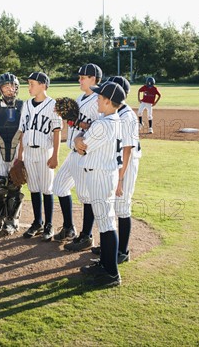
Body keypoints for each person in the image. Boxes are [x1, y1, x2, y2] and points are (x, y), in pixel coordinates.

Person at [75, 81, 125, 288]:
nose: (96, 98)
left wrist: (78, 135)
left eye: (99, 97)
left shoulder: (102, 124)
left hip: (100, 176)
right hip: (103, 173)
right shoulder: (112, 120)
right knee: (105, 223)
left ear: (107, 101)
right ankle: (104, 265)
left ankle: (111, 274)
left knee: (106, 224)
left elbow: (81, 147)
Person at [90, 76, 141, 264]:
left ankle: (122, 250)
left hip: (126, 164)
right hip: (117, 163)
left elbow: (127, 149)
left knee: (122, 206)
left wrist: (120, 179)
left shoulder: (127, 116)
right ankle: (110, 247)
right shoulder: (114, 114)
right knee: (110, 208)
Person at [53, 63, 102, 253]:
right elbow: (74, 123)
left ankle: (86, 236)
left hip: (85, 154)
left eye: (83, 77)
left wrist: (78, 121)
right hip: (72, 153)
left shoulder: (99, 100)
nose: (79, 79)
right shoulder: (81, 97)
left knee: (85, 196)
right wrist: (71, 120)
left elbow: (101, 128)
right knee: (59, 185)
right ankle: (69, 228)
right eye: (80, 77)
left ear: (93, 79)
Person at [17, 72, 62, 242]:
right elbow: (23, 131)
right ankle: (37, 222)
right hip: (29, 152)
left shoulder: (53, 105)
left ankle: (49, 224)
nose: (29, 87)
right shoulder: (27, 104)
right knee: (34, 189)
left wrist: (55, 155)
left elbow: (57, 132)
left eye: (32, 84)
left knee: (47, 189)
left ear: (43, 85)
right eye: (28, 84)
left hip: (45, 152)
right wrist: (20, 154)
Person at [0, 73, 24, 235]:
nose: (10, 89)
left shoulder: (23, 106)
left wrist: (21, 156)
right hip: (0, 150)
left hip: (17, 150)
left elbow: (24, 132)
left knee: (14, 184)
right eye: (5, 86)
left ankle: (12, 220)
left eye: (12, 86)